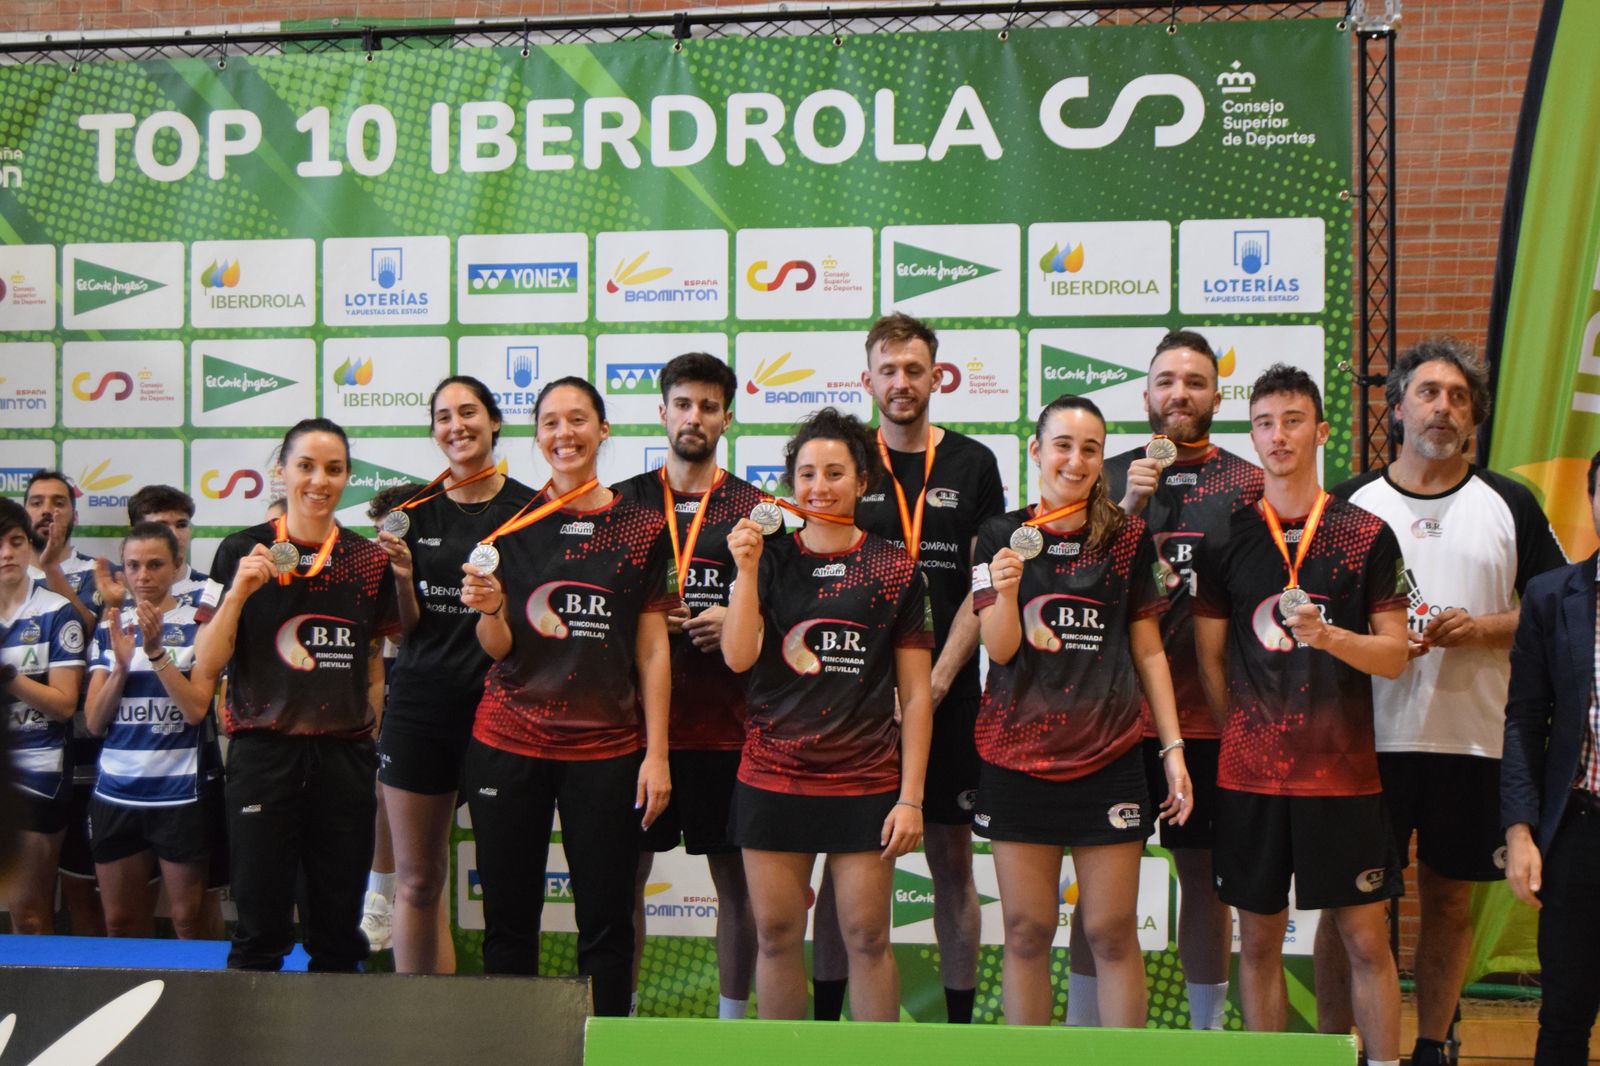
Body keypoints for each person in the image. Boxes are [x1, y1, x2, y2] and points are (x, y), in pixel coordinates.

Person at [1319, 339, 1565, 1064]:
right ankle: (1336, 1049)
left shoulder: (1509, 502)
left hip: (1473, 739)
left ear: (1474, 416)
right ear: (1397, 408)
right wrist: (1379, 640)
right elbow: (1316, 614)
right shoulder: (1349, 502)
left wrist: (1485, 628)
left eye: (1459, 397)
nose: (1443, 408)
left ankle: (1431, 1047)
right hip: (1365, 740)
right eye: (1428, 392)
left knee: (1450, 902)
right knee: (1350, 911)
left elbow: (1556, 606)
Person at [1192, 364, 1409, 1066]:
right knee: (1257, 941)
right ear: (1252, 435)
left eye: (1292, 421)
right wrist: (1246, 731)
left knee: (1365, 941)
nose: (1278, 436)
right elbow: (1211, 661)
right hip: (1250, 778)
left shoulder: (1364, 534)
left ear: (1321, 432)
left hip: (1342, 780)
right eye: (1264, 423)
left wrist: (1329, 637)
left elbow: (1395, 656)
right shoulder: (1226, 538)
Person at [973, 394, 1192, 1027]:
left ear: (1102, 460)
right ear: (1036, 450)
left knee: (1112, 931)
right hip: (1016, 760)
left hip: (1111, 757)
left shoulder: (1127, 538)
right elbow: (1000, 650)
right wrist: (1006, 591)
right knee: (1026, 930)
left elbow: (1148, 651)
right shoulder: (998, 536)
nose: (1075, 460)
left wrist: (1173, 751)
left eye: (1090, 449)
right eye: (1062, 445)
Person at [809, 313, 1003, 1024]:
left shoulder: (974, 464)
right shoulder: (844, 464)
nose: (901, 382)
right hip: (853, 705)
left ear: (936, 377)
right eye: (887, 370)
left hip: (948, 696)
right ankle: (827, 1027)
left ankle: (958, 1031)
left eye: (914, 369)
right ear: (867, 379)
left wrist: (937, 682)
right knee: (844, 868)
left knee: (953, 865)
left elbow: (986, 586)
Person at [457, 376, 672, 1016]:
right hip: (508, 743)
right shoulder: (510, 524)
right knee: (508, 923)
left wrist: (657, 754)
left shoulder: (642, 526)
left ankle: (602, 1047)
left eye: (578, 420)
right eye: (550, 422)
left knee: (606, 925)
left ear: (603, 430)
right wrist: (489, 609)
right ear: (536, 436)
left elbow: (653, 651)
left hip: (606, 752)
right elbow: (497, 645)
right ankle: (513, 1048)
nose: (564, 434)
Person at [721, 406, 934, 1023]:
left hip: (863, 782)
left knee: (867, 939)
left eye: (835, 473)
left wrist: (911, 798)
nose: (820, 486)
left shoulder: (896, 568)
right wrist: (746, 570)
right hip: (772, 777)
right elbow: (737, 657)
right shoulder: (768, 559)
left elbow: (916, 695)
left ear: (862, 481)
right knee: (776, 936)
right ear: (790, 483)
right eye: (807, 473)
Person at [1098, 329, 1262, 1030]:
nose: (1179, 394)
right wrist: (1128, 507)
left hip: (1210, 720)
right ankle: (1091, 1038)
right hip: (1113, 720)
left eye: (1195, 382)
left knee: (1204, 877)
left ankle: (1207, 1031)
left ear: (1218, 397)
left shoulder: (1249, 484)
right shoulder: (1106, 474)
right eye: (1166, 381)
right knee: (1103, 892)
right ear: (1145, 394)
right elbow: (1076, 584)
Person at [192, 418, 399, 971]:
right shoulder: (240, 549)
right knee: (259, 931)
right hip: (265, 755)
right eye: (305, 466)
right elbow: (207, 662)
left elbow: (374, 662)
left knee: (337, 935)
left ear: (347, 477)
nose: (319, 481)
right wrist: (237, 594)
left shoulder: (368, 560)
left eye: (333, 469)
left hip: (344, 759)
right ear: (281, 471)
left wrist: (368, 733)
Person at [613, 353, 764, 1019]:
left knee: (739, 889)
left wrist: (739, 618)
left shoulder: (757, 512)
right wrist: (643, 618)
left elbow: (788, 611)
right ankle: (622, 1022)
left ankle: (732, 1032)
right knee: (623, 885)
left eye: (708, 406)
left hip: (727, 731)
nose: (694, 417)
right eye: (682, 404)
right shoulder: (622, 503)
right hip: (632, 732)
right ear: (662, 412)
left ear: (727, 417)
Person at [370, 376, 535, 974]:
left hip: (504, 711)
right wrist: (402, 578)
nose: (457, 426)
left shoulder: (532, 510)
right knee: (417, 882)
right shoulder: (409, 515)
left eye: (469, 412)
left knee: (508, 887)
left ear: (494, 421)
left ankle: (505, 1014)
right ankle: (421, 1019)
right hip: (421, 708)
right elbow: (404, 627)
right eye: (444, 416)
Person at [1501, 448, 1600, 1066]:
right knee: (1564, 1014)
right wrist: (1520, 830)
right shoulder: (1550, 595)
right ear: (1592, 501)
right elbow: (1524, 719)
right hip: (1580, 831)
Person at [82, 522, 211, 938]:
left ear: (176, 565)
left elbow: (195, 710)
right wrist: (120, 668)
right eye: (133, 565)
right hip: (116, 792)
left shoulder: (199, 623)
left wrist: (156, 654)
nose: (143, 576)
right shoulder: (111, 624)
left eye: (155, 565)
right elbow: (94, 722)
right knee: (119, 922)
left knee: (187, 920)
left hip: (178, 794)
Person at [25, 470, 110, 935]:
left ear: (74, 513)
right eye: (37, 501)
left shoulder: (100, 573)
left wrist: (52, 571)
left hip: (87, 754)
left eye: (58, 502)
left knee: (84, 893)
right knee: (28, 900)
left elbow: (97, 639)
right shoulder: (9, 572)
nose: (47, 511)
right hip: (23, 758)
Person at [0, 498, 87, 933]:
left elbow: (65, 703)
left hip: (37, 773)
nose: (7, 553)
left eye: (16, 541)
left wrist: (9, 677)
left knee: (29, 911)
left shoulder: (56, 611)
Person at [126, 485, 208, 606]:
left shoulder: (212, 592)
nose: (174, 535)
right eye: (161, 526)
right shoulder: (113, 589)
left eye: (181, 525)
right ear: (136, 533)